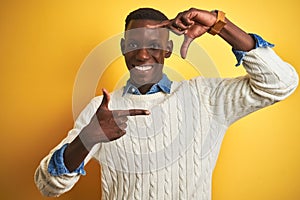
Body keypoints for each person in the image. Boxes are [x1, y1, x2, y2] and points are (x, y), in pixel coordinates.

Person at [34, 7, 298, 200]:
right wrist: (88, 138)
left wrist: (219, 25)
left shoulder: (205, 97)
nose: (142, 54)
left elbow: (281, 83)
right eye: (134, 44)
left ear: (168, 49)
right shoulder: (100, 110)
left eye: (153, 44)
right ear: (124, 47)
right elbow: (48, 184)